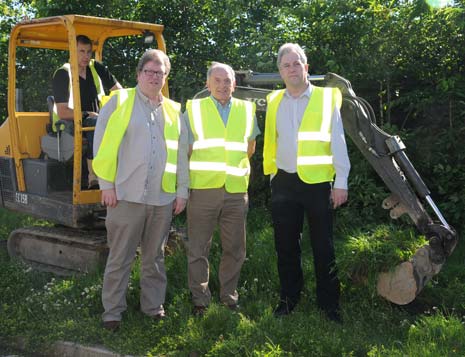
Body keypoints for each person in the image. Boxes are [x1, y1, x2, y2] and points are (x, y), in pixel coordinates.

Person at [93, 49, 188, 331]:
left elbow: (181, 153)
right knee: (120, 256)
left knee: (154, 257)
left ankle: (153, 307)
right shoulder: (119, 102)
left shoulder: (173, 110)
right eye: (149, 71)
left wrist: (181, 190)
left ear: (165, 77)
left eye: (160, 73)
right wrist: (106, 185)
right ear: (138, 74)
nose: (154, 77)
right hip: (124, 196)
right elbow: (101, 146)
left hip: (161, 198)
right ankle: (112, 312)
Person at [263, 43, 350, 323]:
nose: (291, 69)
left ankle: (330, 305)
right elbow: (272, 141)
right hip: (284, 182)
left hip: (318, 184)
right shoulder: (274, 100)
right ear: (280, 71)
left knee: (323, 246)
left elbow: (338, 140)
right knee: (285, 246)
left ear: (306, 67)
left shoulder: (326, 99)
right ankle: (289, 299)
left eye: (296, 63)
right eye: (286, 65)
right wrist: (274, 176)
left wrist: (342, 182)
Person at [185, 62, 260, 316]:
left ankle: (229, 296)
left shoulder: (247, 109)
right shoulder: (194, 109)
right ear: (207, 84)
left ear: (234, 84)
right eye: (217, 80)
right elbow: (185, 150)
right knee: (198, 248)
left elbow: (250, 148)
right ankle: (200, 300)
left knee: (235, 248)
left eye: (227, 80)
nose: (222, 85)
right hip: (203, 190)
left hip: (236, 192)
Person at [52, 34, 122, 189]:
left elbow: (120, 93)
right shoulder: (63, 74)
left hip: (98, 119)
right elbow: (62, 112)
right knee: (96, 124)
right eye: (81, 51)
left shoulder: (96, 67)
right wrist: (86, 114)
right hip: (69, 124)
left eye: (88, 52)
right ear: (72, 51)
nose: (86, 56)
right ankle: (93, 176)